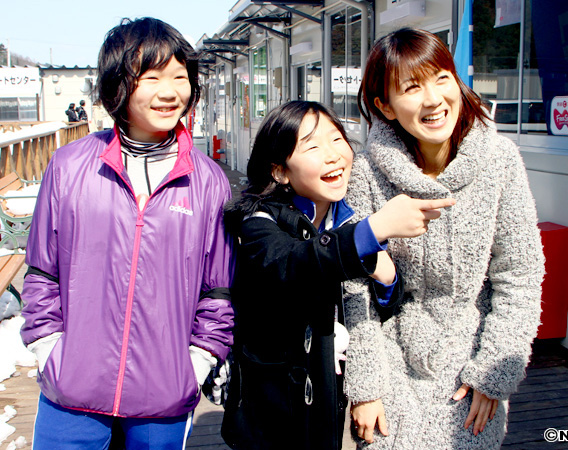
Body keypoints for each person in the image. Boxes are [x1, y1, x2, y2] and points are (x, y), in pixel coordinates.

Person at [20, 17, 234, 449]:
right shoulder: (69, 166)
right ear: (118, 85)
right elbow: (41, 272)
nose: (170, 92)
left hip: (163, 398)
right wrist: (48, 349)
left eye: (180, 77)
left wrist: (195, 364)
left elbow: (219, 290)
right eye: (151, 78)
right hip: (71, 393)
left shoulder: (209, 181)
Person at [342, 28, 545, 449]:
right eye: (412, 87)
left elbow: (520, 274)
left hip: (471, 364)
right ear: (385, 105)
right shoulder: (367, 173)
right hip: (391, 362)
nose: (433, 99)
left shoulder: (499, 161)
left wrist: (493, 372)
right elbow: (355, 285)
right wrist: (366, 386)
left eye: (442, 79)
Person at [221, 100, 455, 450]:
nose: (332, 155)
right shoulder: (259, 222)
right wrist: (372, 231)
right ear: (280, 171)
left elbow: (379, 309)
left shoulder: (347, 219)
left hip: (326, 401)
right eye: (312, 147)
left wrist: (388, 279)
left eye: (336, 139)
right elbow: (292, 263)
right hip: (268, 410)